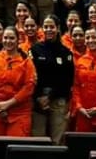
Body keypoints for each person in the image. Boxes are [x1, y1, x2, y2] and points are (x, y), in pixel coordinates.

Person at [0, 26, 36, 139]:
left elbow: (29, 87)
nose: (8, 41)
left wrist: (7, 104)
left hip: (19, 112)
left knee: (16, 147)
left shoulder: (26, 61)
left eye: (11, 38)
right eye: (5, 38)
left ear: (18, 40)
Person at [30, 15, 73, 144]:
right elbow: (30, 76)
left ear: (58, 28)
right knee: (37, 139)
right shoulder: (35, 50)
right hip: (38, 100)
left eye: (52, 27)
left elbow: (68, 79)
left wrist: (50, 97)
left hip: (58, 100)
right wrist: (39, 97)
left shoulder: (66, 53)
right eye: (46, 27)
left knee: (58, 140)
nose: (49, 30)